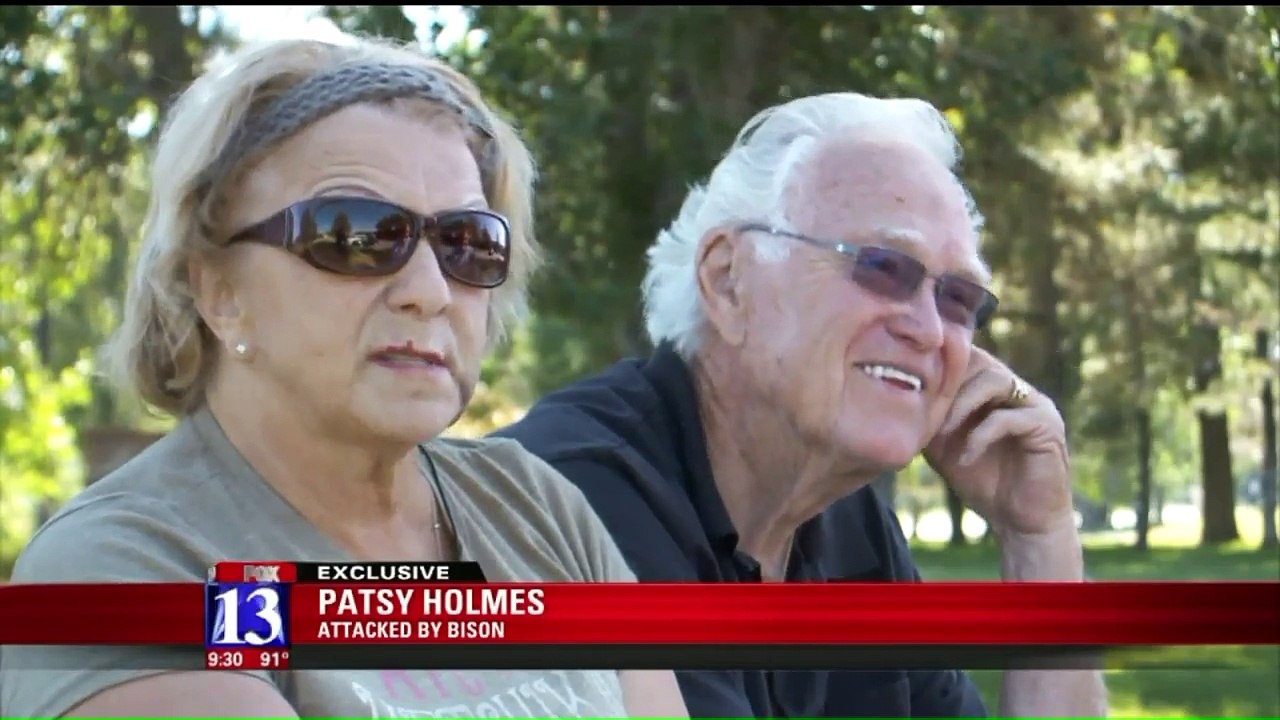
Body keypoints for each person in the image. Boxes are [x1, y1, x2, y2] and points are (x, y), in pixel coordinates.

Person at [0, 35, 688, 718]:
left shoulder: (535, 508)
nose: (429, 290)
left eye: (467, 243)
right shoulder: (134, 567)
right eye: (356, 235)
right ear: (218, 293)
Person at [494, 92, 1109, 717]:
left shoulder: (850, 524)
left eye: (959, 298)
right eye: (882, 267)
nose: (928, 329)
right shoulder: (570, 499)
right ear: (729, 280)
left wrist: (1040, 540)